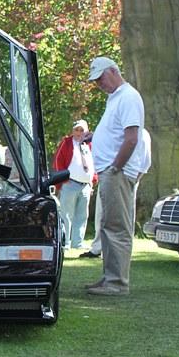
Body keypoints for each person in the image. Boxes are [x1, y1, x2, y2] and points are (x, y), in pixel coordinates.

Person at [84, 57, 149, 296]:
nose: (99, 83)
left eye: (101, 77)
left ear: (113, 71)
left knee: (117, 227)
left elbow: (132, 137)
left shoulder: (128, 97)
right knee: (107, 225)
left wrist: (115, 167)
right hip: (111, 172)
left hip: (117, 172)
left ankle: (117, 283)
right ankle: (109, 278)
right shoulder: (117, 98)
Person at [80, 128, 151, 259]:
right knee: (101, 214)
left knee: (124, 217)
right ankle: (97, 247)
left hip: (127, 178)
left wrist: (134, 182)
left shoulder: (142, 134)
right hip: (109, 176)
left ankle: (121, 251)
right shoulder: (116, 131)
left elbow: (145, 162)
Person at [53, 119, 96, 250]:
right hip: (69, 183)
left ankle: (77, 243)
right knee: (66, 214)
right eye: (76, 130)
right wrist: (62, 179)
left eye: (82, 130)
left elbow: (95, 163)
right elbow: (57, 161)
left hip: (85, 185)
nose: (78, 133)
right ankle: (65, 242)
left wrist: (92, 181)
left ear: (86, 131)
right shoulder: (66, 143)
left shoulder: (90, 145)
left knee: (82, 215)